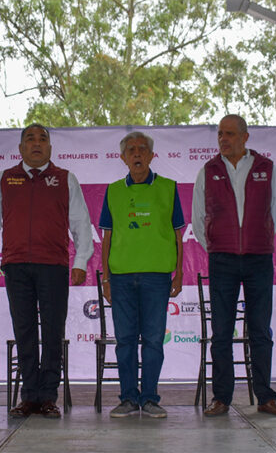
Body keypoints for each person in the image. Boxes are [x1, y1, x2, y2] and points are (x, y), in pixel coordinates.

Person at [0, 124, 93, 419]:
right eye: (30, 139)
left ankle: (48, 397)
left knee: (53, 333)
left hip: (53, 266)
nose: (37, 143)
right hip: (15, 266)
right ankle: (29, 396)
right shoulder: (4, 178)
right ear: (20, 148)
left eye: (43, 139)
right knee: (25, 332)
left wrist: (80, 262)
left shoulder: (65, 178)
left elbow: (81, 224)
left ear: (51, 148)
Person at [192, 114, 276, 418]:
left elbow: (275, 212)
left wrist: (257, 243)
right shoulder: (208, 170)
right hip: (222, 259)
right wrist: (218, 247)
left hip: (259, 259)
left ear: (245, 137)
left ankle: (266, 397)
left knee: (260, 330)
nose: (224, 139)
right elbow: (197, 218)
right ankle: (221, 397)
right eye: (220, 133)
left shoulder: (265, 167)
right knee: (221, 331)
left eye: (230, 134)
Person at [100, 131, 185, 419]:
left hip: (157, 276)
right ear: (123, 157)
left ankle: (149, 398)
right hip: (121, 276)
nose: (137, 154)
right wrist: (106, 278)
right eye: (131, 150)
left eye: (142, 150)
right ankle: (127, 398)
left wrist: (179, 273)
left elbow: (178, 236)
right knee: (124, 341)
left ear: (151, 156)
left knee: (152, 341)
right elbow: (106, 239)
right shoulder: (112, 191)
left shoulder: (169, 188)